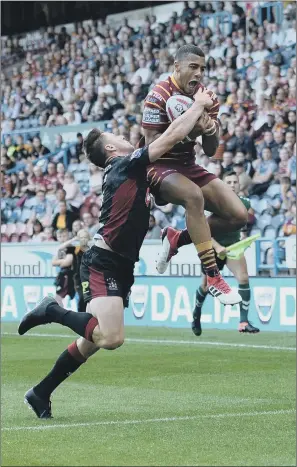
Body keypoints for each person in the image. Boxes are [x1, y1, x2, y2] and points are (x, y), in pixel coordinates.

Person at [18, 88, 239, 419]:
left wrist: (202, 130)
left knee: (91, 340)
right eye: (118, 136)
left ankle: (41, 393)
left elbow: (174, 152)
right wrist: (197, 106)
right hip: (103, 260)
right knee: (111, 337)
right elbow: (169, 137)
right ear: (110, 148)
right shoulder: (125, 163)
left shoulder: (133, 170)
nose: (125, 138)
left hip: (122, 264)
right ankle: (53, 310)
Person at [142, 45, 248, 288]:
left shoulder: (206, 98)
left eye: (202, 68)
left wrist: (210, 130)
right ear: (177, 66)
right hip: (157, 166)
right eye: (193, 67)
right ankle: (213, 275)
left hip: (187, 165)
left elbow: (212, 150)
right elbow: (151, 148)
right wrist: (189, 129)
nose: (199, 73)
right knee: (194, 196)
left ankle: (177, 238)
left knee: (238, 214)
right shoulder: (158, 95)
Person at [160, 172, 260, 334]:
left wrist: (243, 238)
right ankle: (196, 314)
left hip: (232, 247)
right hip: (212, 247)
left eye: (235, 181)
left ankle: (243, 322)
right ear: (223, 184)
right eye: (229, 181)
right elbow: (203, 230)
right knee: (206, 286)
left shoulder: (245, 203)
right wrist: (218, 246)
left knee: (243, 278)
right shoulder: (216, 203)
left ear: (240, 185)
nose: (233, 184)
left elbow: (239, 224)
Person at [52, 229, 76, 306]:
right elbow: (53, 262)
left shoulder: (70, 248)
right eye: (60, 236)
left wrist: (60, 262)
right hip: (62, 275)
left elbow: (67, 262)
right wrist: (62, 262)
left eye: (64, 236)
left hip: (69, 275)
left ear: (68, 236)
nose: (62, 238)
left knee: (59, 297)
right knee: (58, 297)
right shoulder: (60, 249)